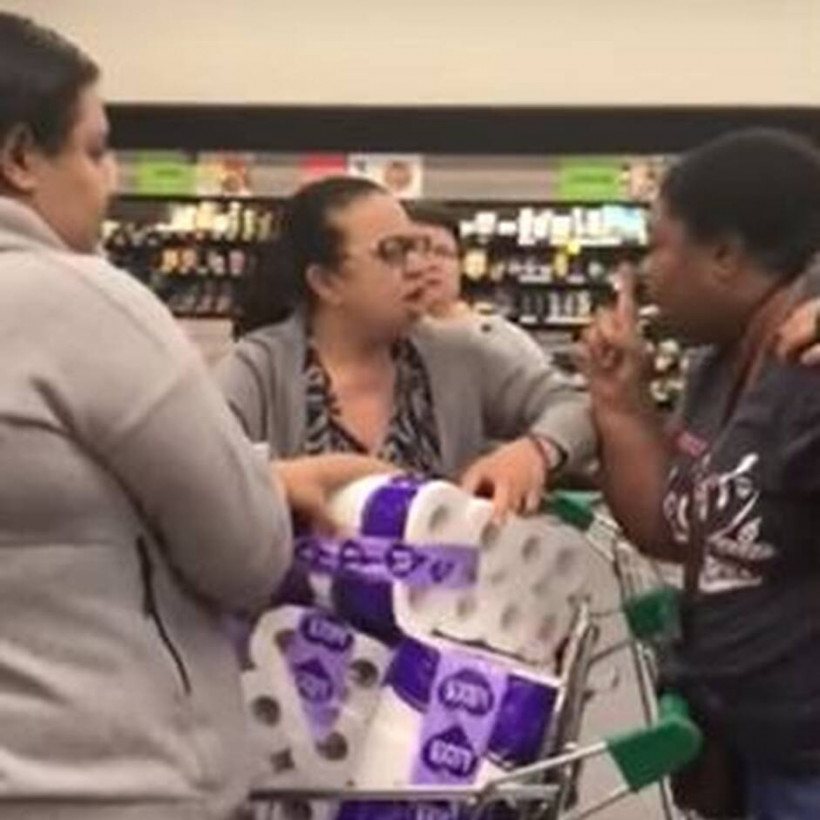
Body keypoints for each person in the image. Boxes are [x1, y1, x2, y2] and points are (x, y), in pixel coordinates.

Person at [0, 13, 380, 820]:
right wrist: (265, 490)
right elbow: (242, 556)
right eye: (96, 150)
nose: (109, 181)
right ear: (22, 157)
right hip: (106, 787)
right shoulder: (82, 305)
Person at [579, 128, 820, 819]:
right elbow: (673, 528)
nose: (645, 274)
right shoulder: (717, 364)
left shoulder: (809, 358)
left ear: (723, 255)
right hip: (752, 745)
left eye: (657, 246)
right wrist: (621, 404)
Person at [219, 177, 595, 521]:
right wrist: (290, 478)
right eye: (393, 252)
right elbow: (202, 479)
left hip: (449, 575)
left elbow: (575, 406)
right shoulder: (258, 369)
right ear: (326, 282)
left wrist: (534, 452)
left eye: (417, 248)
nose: (419, 267)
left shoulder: (461, 356)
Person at [408, 202, 547, 366]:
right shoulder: (386, 341)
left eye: (442, 252)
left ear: (460, 264)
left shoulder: (506, 343)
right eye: (415, 252)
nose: (431, 263)